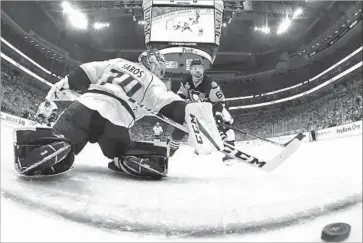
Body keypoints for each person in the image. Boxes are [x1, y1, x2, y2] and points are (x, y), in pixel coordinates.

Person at [13, 49, 217, 179]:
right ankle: (127, 159)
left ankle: (53, 146)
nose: (160, 69)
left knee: (63, 140)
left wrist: (62, 86)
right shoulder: (154, 82)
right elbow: (168, 104)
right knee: (119, 149)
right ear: (153, 65)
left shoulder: (117, 62)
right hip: (117, 121)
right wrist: (190, 116)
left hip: (85, 106)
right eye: (159, 65)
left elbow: (85, 71)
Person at [173, 59, 236, 163]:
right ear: (190, 70)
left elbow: (220, 102)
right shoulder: (186, 81)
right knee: (180, 129)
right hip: (195, 109)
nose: (197, 71)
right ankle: (176, 149)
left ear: (203, 70)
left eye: (199, 69)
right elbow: (181, 94)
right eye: (194, 69)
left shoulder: (211, 84)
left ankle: (229, 151)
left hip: (212, 108)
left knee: (226, 122)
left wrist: (218, 114)